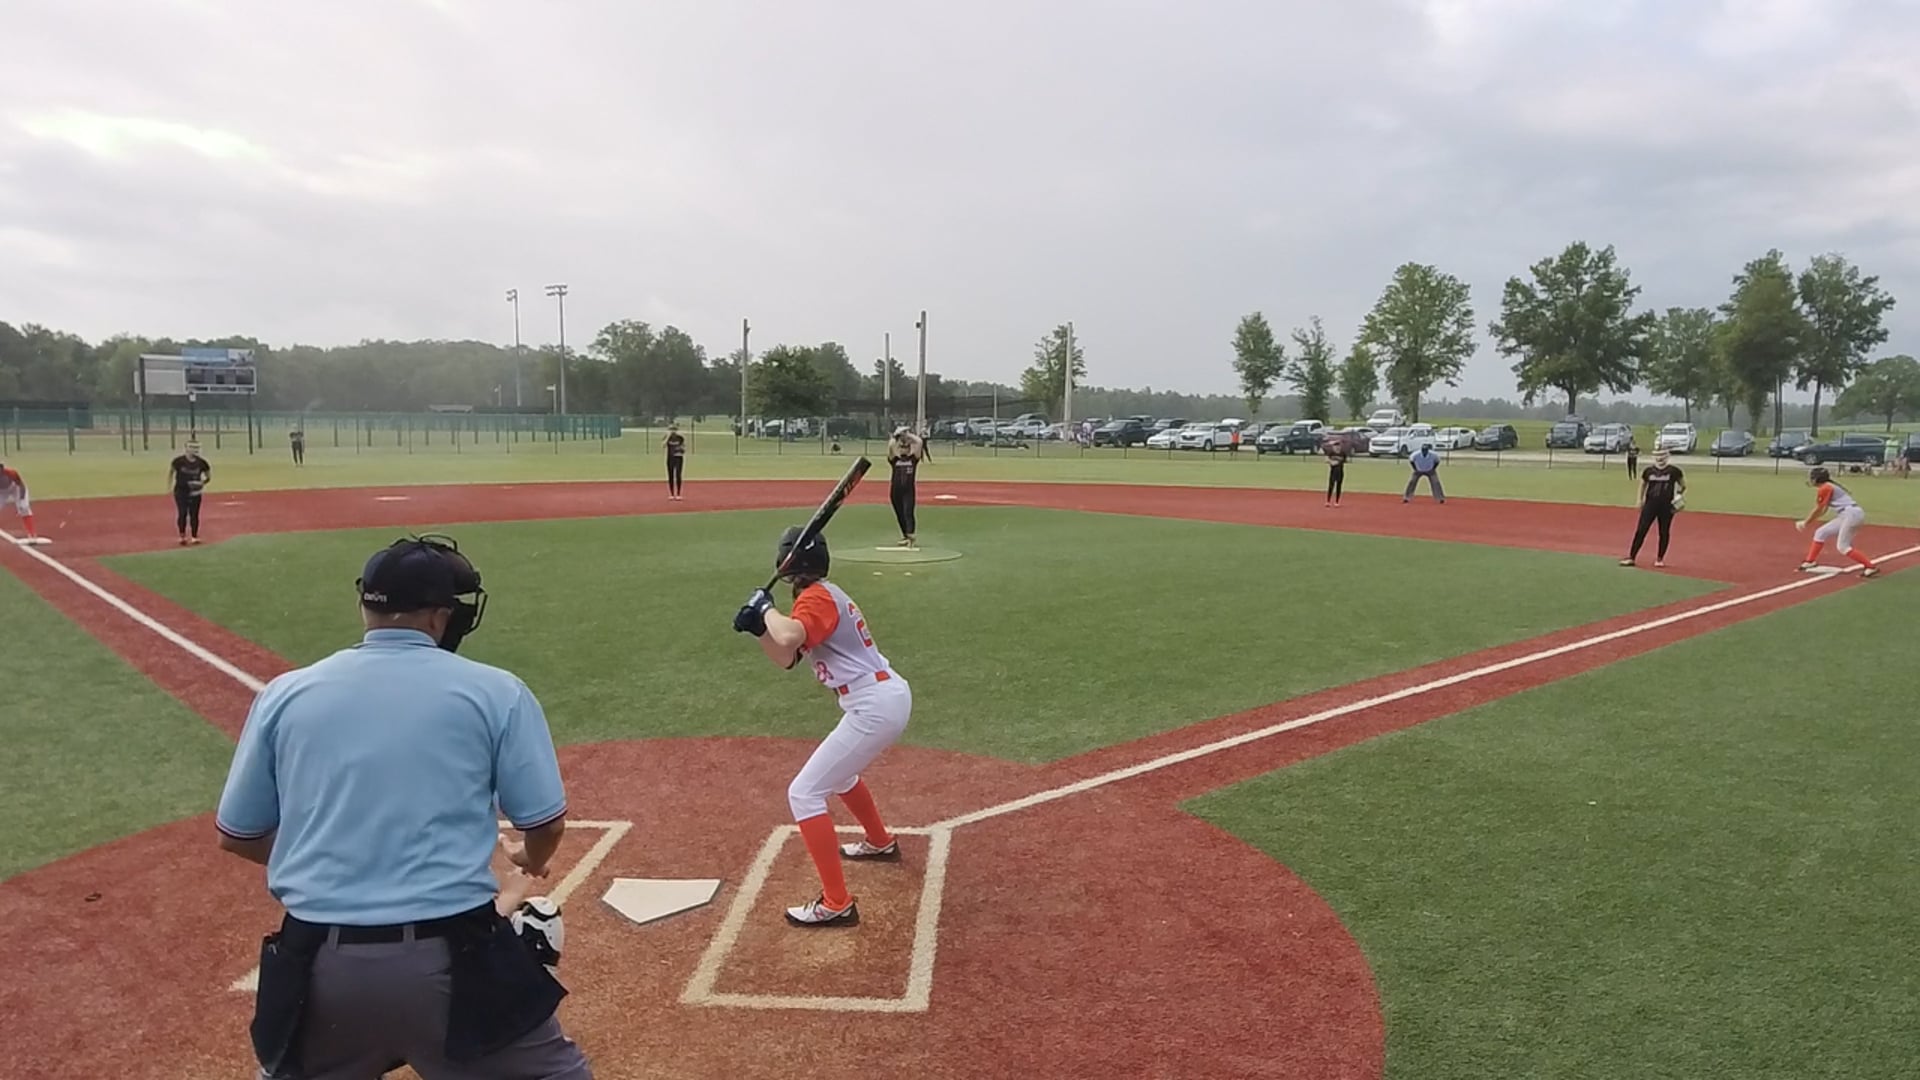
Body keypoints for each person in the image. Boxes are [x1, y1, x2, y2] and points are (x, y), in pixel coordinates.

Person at [214, 534, 592, 1078]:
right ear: (440, 618)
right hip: (452, 962)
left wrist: (345, 863)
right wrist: (529, 860)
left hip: (316, 963)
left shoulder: (284, 692)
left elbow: (238, 834)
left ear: (364, 606)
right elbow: (545, 823)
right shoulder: (495, 691)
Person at [732, 526, 910, 928]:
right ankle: (880, 841)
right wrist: (759, 629)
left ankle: (836, 902)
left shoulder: (817, 597)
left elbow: (789, 635)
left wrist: (765, 609)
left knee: (804, 793)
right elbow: (787, 657)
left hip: (874, 704)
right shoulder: (817, 599)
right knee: (840, 776)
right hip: (879, 699)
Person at [1796, 466, 1879, 577]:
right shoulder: (1828, 486)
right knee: (1821, 532)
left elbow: (1819, 509)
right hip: (1849, 514)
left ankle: (1870, 567)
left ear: (1816, 479)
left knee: (1842, 546)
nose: (1811, 480)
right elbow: (1823, 510)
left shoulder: (1825, 488)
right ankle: (1810, 561)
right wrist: (1808, 521)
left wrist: (1805, 522)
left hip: (1850, 514)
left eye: (1812, 477)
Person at [1620, 448, 1684, 568]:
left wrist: (1678, 498)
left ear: (1667, 456)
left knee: (1664, 532)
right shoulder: (1649, 471)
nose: (1660, 458)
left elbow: (1683, 485)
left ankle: (1660, 558)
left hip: (1666, 506)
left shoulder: (1674, 471)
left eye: (1663, 455)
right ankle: (1632, 557)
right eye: (1657, 455)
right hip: (1650, 504)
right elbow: (1643, 484)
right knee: (1641, 530)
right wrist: (1639, 500)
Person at [886, 426, 928, 547]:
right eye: (901, 447)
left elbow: (919, 442)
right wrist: (897, 435)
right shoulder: (894, 460)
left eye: (906, 447)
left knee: (908, 512)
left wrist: (907, 435)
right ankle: (905, 536)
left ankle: (911, 535)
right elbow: (891, 445)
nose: (903, 449)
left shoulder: (913, 459)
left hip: (908, 491)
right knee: (899, 514)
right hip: (895, 491)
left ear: (909, 449)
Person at [168, 441, 212, 545]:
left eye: (196, 447)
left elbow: (208, 476)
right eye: (191, 447)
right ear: (186, 448)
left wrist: (201, 483)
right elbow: (171, 472)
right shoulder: (178, 461)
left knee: (194, 514)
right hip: (181, 491)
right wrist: (169, 486)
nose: (194, 449)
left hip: (195, 492)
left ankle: (194, 536)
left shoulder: (202, 463)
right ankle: (182, 536)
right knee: (182, 513)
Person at [0, 458, 39, 542]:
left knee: (24, 508)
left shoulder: (11, 473)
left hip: (15, 488)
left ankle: (32, 533)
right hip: (1, 492)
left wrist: (21, 500)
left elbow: (21, 485)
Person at [663, 424, 687, 500]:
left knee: (678, 475)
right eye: (671, 429)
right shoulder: (667, 437)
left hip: (678, 458)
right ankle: (671, 494)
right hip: (670, 458)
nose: (672, 431)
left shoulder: (680, 438)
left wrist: (681, 450)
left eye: (674, 429)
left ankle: (678, 493)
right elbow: (663, 445)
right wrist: (668, 437)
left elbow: (684, 447)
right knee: (670, 475)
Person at [1323, 434, 1347, 508]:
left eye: (1338, 446)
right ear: (1333, 447)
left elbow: (1343, 461)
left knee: (1338, 486)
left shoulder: (1342, 453)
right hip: (1333, 472)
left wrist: (1336, 462)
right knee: (1331, 486)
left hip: (1340, 472)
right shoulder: (1331, 453)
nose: (1337, 447)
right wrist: (1331, 462)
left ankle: (1337, 502)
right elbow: (1326, 459)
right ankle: (1328, 501)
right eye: (1335, 446)